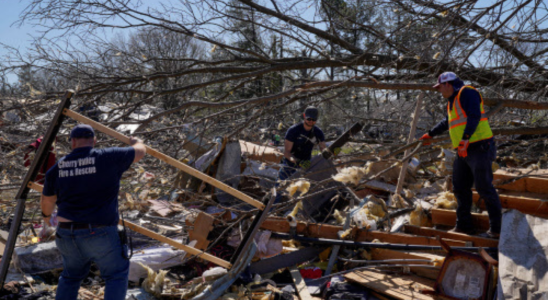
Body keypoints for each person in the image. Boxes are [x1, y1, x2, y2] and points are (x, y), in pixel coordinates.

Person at [41, 124, 146, 299]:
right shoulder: (108, 157)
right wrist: (136, 141)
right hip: (100, 232)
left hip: (67, 233)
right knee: (115, 275)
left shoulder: (57, 168)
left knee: (70, 276)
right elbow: (140, 151)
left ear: (73, 142)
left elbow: (47, 201)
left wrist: (46, 218)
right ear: (94, 141)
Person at [420, 72, 501, 238]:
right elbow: (447, 122)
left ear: (448, 84)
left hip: (479, 146)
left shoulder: (467, 93)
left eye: (440, 87)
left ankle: (497, 230)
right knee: (459, 187)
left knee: (484, 187)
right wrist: (431, 134)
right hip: (464, 149)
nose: (439, 91)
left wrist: (465, 139)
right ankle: (464, 226)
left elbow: (474, 116)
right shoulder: (453, 101)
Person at [275, 106, 327, 202]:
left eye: (314, 120)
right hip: (289, 165)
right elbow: (286, 152)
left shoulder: (318, 132)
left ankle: (296, 213)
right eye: (309, 119)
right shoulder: (294, 130)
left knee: (302, 192)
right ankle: (270, 210)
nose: (311, 121)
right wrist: (298, 161)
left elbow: (323, 149)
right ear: (304, 116)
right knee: (278, 188)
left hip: (306, 165)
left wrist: (331, 151)